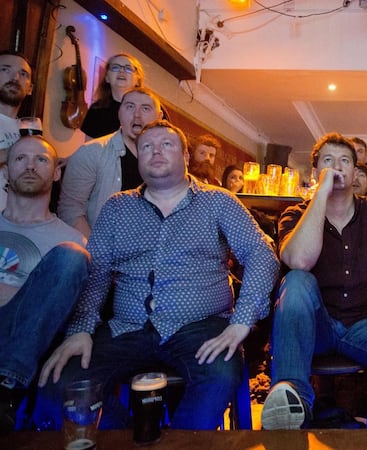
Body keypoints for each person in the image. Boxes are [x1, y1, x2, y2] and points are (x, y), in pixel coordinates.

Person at [38, 120, 280, 430]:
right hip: (127, 328)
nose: (156, 151)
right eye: (147, 147)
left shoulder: (218, 201)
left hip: (201, 328)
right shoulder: (117, 208)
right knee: (59, 380)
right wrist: (82, 327)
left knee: (221, 374)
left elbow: (260, 252)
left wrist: (242, 321)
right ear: (138, 157)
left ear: (186, 157)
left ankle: (180, 443)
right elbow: (95, 270)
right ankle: (130, 440)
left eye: (167, 145)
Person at [262, 132, 367, 430]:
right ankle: (293, 408)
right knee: (298, 280)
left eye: (345, 161)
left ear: (356, 172)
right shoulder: (295, 214)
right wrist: (321, 194)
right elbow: (299, 260)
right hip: (316, 325)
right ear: (315, 171)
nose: (337, 167)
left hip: (366, 322)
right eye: (328, 161)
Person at [0, 136, 88, 435]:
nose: (30, 166)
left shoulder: (73, 241)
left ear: (56, 172)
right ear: (5, 171)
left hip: (25, 345)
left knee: (71, 256)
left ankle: (6, 385)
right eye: (20, 158)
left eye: (41, 160)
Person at [58, 87, 161, 237]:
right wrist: (97, 253)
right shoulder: (91, 153)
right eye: (130, 107)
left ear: (159, 117)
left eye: (145, 108)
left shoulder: (165, 162)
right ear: (119, 112)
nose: (137, 115)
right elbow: (70, 210)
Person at [80, 53, 144, 139]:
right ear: (107, 77)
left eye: (128, 69)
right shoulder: (96, 110)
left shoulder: (150, 107)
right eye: (115, 68)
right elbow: (89, 149)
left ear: (137, 80)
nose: (122, 71)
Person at [0, 51, 34, 210]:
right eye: (5, 69)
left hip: (16, 226)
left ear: (30, 89)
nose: (15, 78)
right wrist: (15, 153)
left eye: (23, 73)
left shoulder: (29, 129)